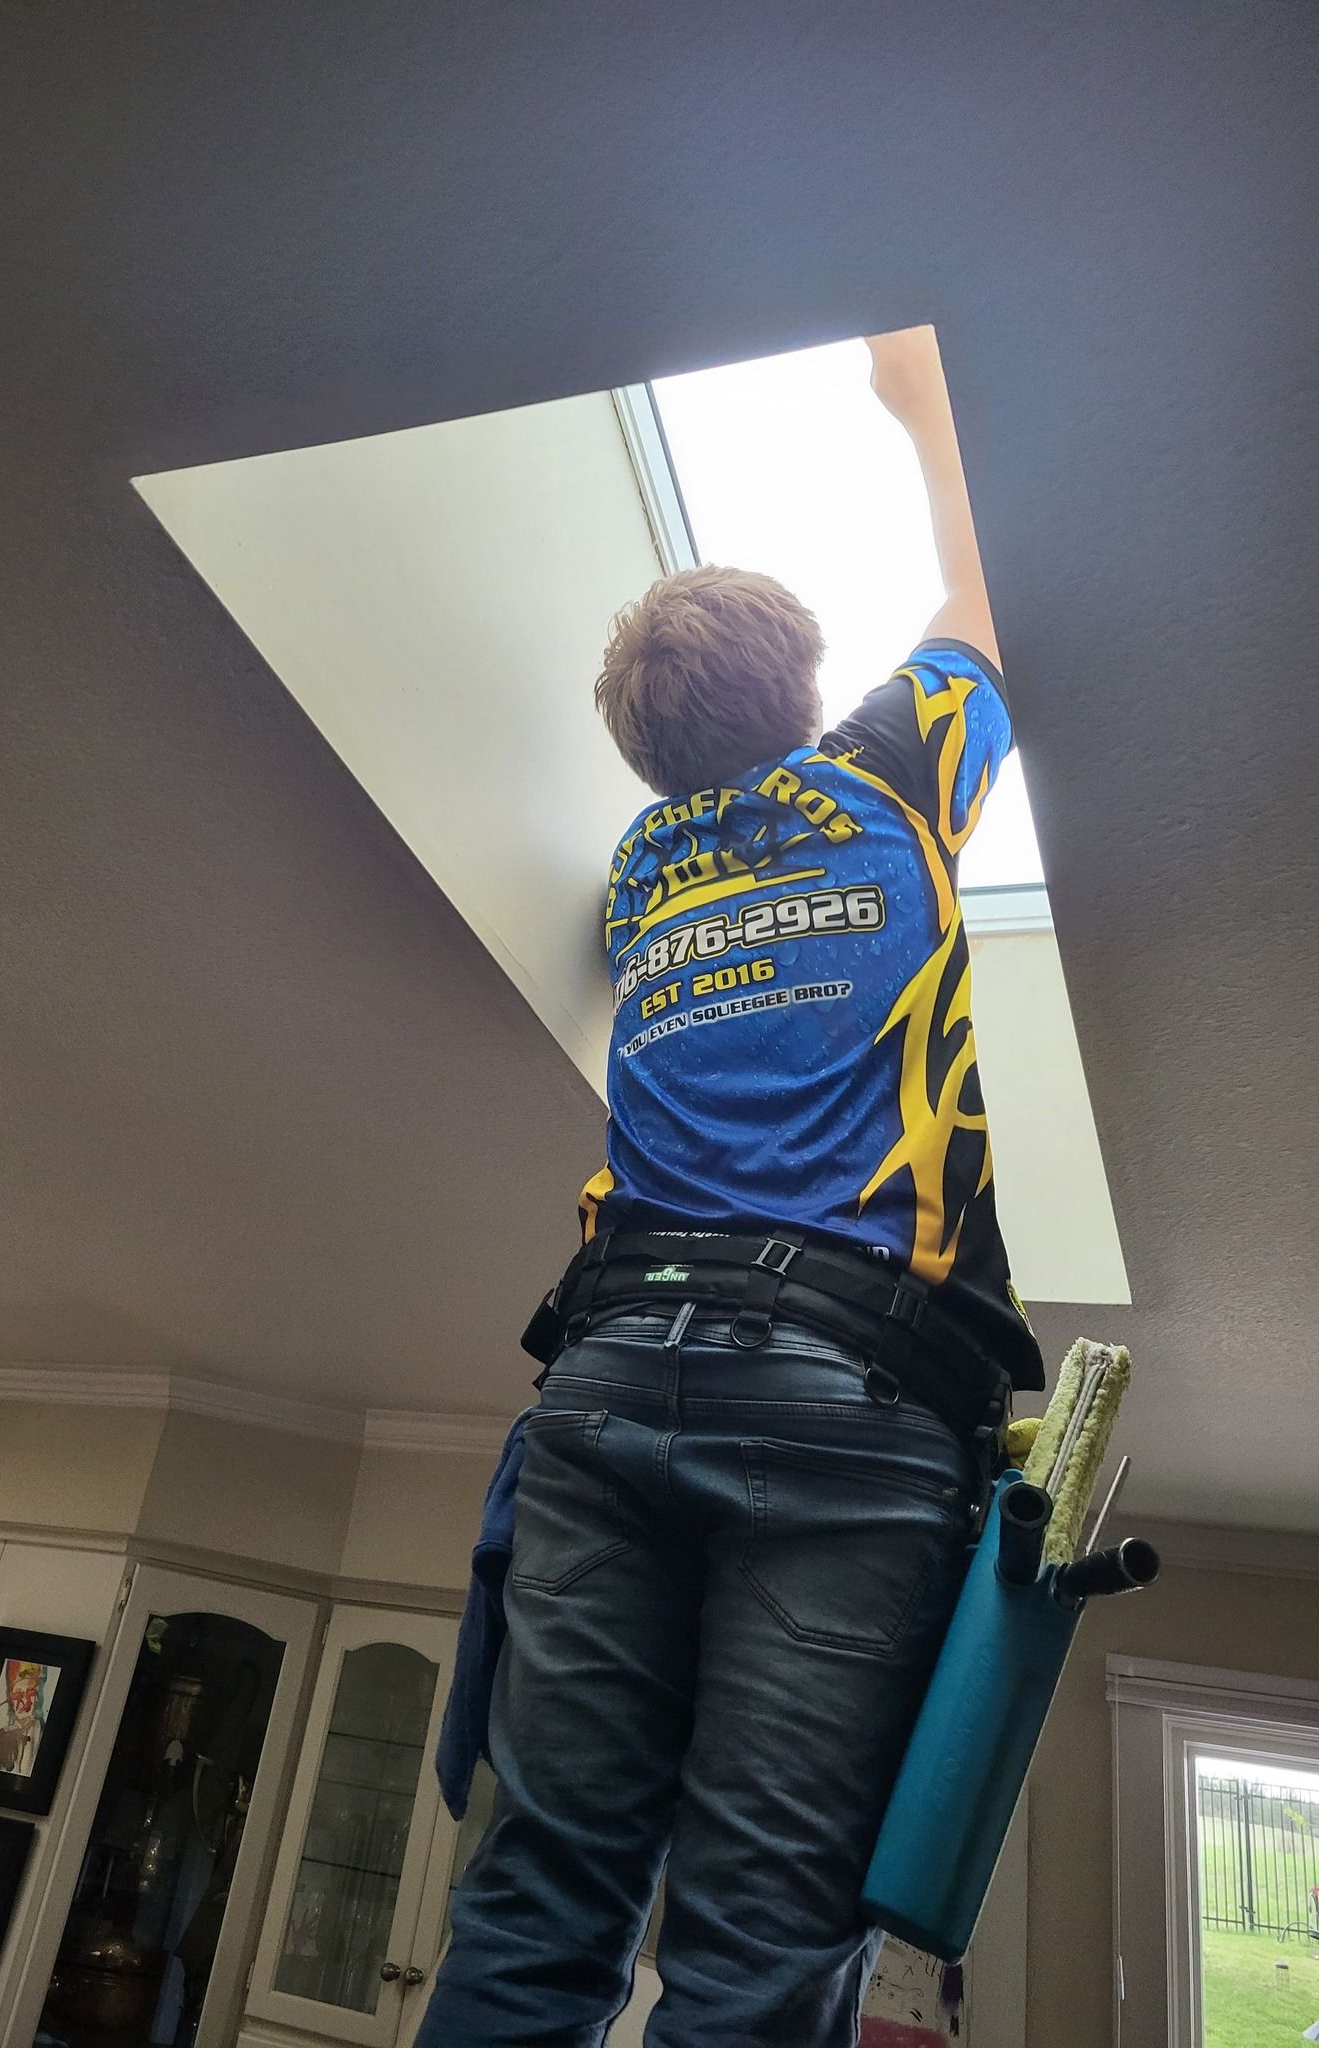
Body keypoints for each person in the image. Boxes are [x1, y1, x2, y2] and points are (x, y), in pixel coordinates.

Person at [415, 326, 1045, 2048]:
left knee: (538, 1894)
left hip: (609, 1386)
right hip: (844, 1403)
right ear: (808, 685)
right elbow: (992, 597)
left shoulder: (637, 868)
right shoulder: (885, 780)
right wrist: (920, 398)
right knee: (763, 1942)